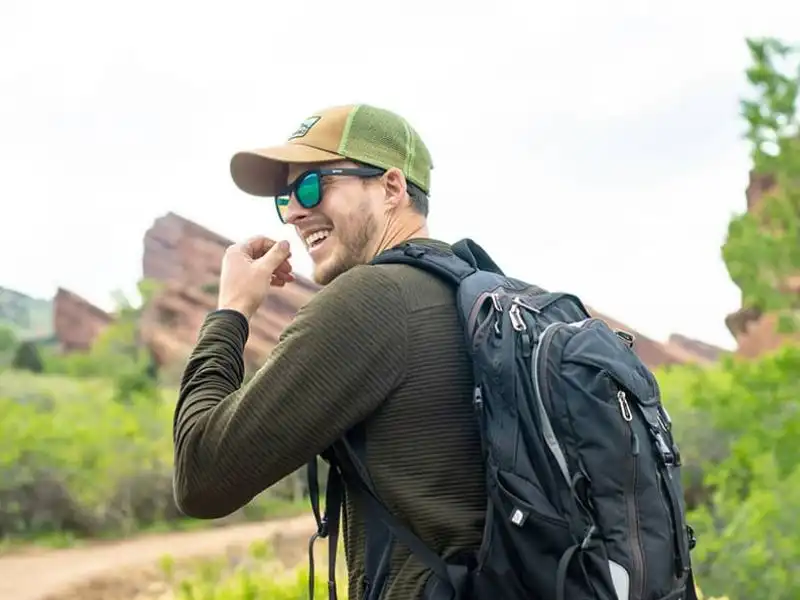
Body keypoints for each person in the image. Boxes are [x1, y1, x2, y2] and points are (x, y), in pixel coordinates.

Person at [172, 104, 486, 600]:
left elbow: (201, 475)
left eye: (312, 185)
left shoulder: (372, 300)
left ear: (391, 188)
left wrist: (231, 311)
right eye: (285, 198)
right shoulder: (478, 292)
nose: (294, 211)